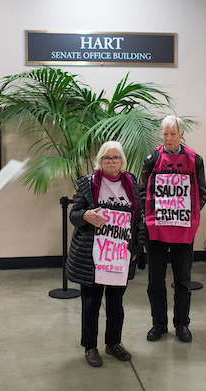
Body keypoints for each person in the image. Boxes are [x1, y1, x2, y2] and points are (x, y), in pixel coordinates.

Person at [66, 141, 145, 367]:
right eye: (107, 158)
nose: (112, 162)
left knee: (115, 303)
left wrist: (137, 249)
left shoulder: (131, 184)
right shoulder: (88, 185)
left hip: (119, 256)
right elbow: (74, 215)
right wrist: (85, 216)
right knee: (90, 304)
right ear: (99, 161)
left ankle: (113, 343)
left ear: (122, 161)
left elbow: (138, 220)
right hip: (92, 257)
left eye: (116, 158)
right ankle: (90, 347)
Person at [139, 115, 206, 343]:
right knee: (155, 280)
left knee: (183, 281)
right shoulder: (152, 159)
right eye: (165, 133)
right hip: (156, 231)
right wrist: (149, 219)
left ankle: (182, 325)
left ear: (181, 135)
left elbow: (201, 193)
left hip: (183, 231)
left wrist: (188, 216)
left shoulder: (195, 160)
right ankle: (158, 324)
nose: (168, 138)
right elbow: (142, 191)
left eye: (173, 134)